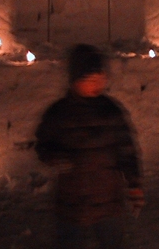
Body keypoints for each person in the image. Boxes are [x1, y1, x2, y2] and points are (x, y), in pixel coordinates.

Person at [36, 44, 143, 249]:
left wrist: (135, 184)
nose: (98, 84)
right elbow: (43, 145)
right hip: (72, 202)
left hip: (108, 201)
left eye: (101, 79)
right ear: (76, 80)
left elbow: (127, 150)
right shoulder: (59, 113)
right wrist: (56, 158)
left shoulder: (111, 111)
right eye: (91, 79)